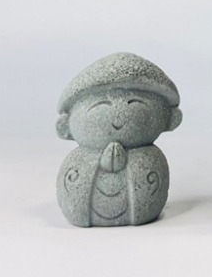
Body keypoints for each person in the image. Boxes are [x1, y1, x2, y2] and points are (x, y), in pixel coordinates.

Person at [55, 52, 182, 226]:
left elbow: (151, 190)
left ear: (170, 119)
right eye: (101, 105)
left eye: (134, 103)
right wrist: (100, 164)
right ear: (66, 126)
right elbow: (72, 190)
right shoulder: (81, 157)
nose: (118, 119)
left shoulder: (149, 154)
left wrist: (129, 164)